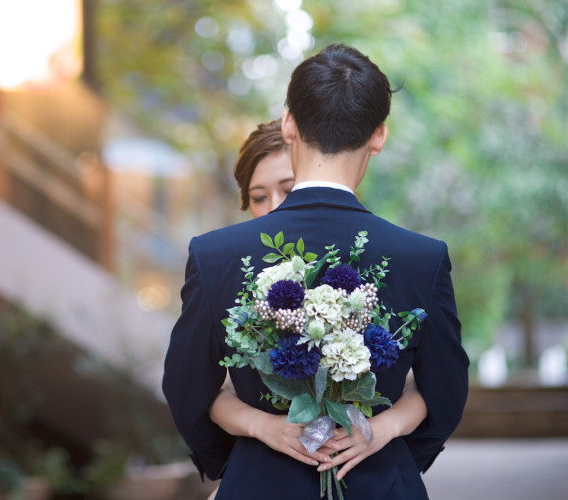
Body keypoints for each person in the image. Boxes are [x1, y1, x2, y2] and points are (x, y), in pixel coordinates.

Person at [163, 44, 469, 499]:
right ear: (379, 135)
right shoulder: (421, 257)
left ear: (289, 123)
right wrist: (386, 446)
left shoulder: (215, 255)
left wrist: (244, 459)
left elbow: (187, 390)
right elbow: (445, 392)